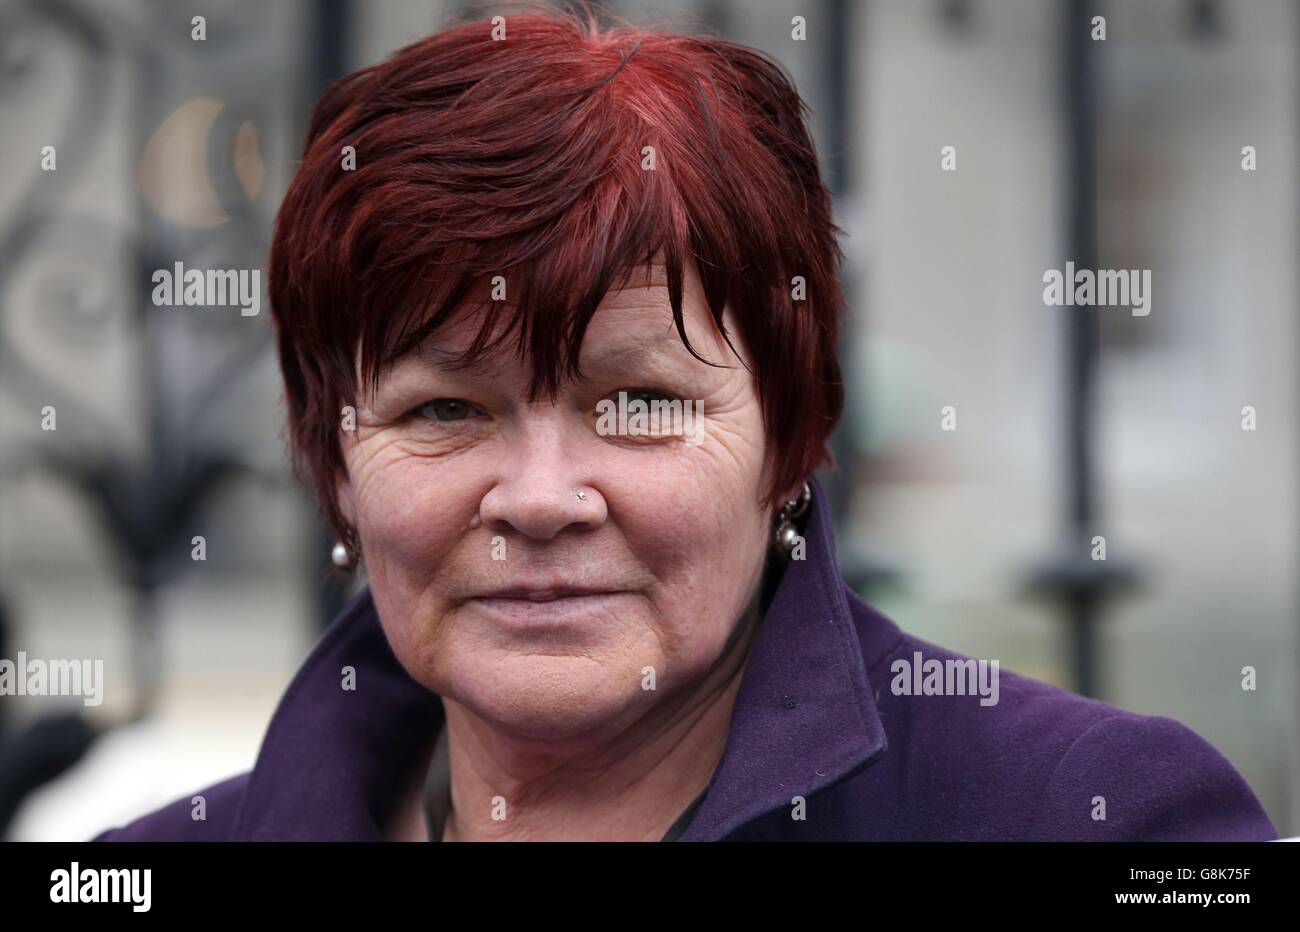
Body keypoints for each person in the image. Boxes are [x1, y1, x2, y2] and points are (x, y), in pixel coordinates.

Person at [92, 4, 1275, 842]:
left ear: (792, 442)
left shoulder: (1086, 816)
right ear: (335, 461)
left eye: (641, 402)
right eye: (445, 407)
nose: (541, 496)